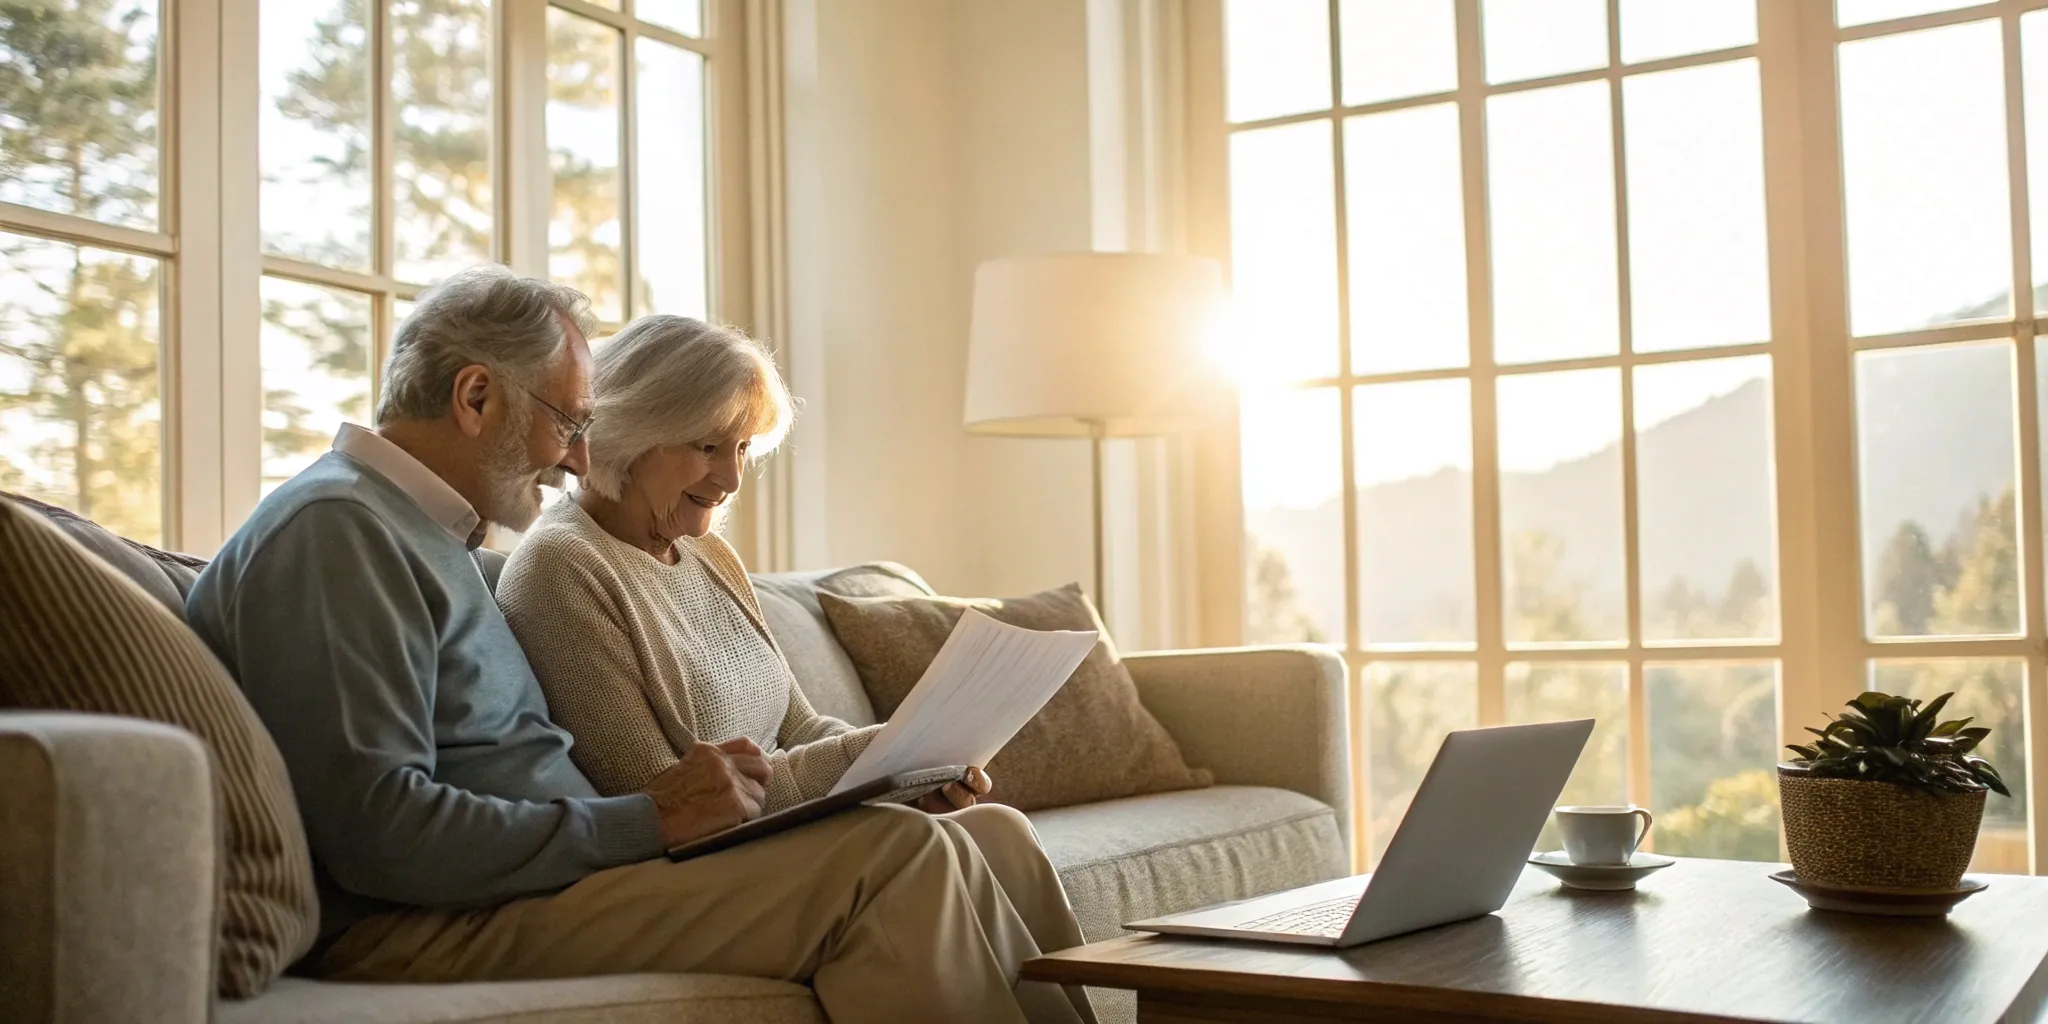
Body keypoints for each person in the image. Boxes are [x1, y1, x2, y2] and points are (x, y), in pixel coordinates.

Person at [185, 266, 1087, 1024]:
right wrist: (649, 819)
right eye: (571, 423)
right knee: (897, 858)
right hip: (432, 921)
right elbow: (381, 839)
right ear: (474, 396)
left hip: (530, 888)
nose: (580, 456)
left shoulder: (426, 535)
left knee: (984, 838)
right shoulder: (338, 532)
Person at [496, 314, 1095, 1021]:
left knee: (998, 832)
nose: (730, 477)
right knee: (907, 848)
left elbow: (799, 721)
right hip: (686, 861)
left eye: (745, 447)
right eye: (708, 446)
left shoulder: (707, 555)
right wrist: (874, 759)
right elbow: (655, 793)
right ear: (631, 430)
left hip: (775, 829)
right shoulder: (561, 565)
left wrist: (906, 774)